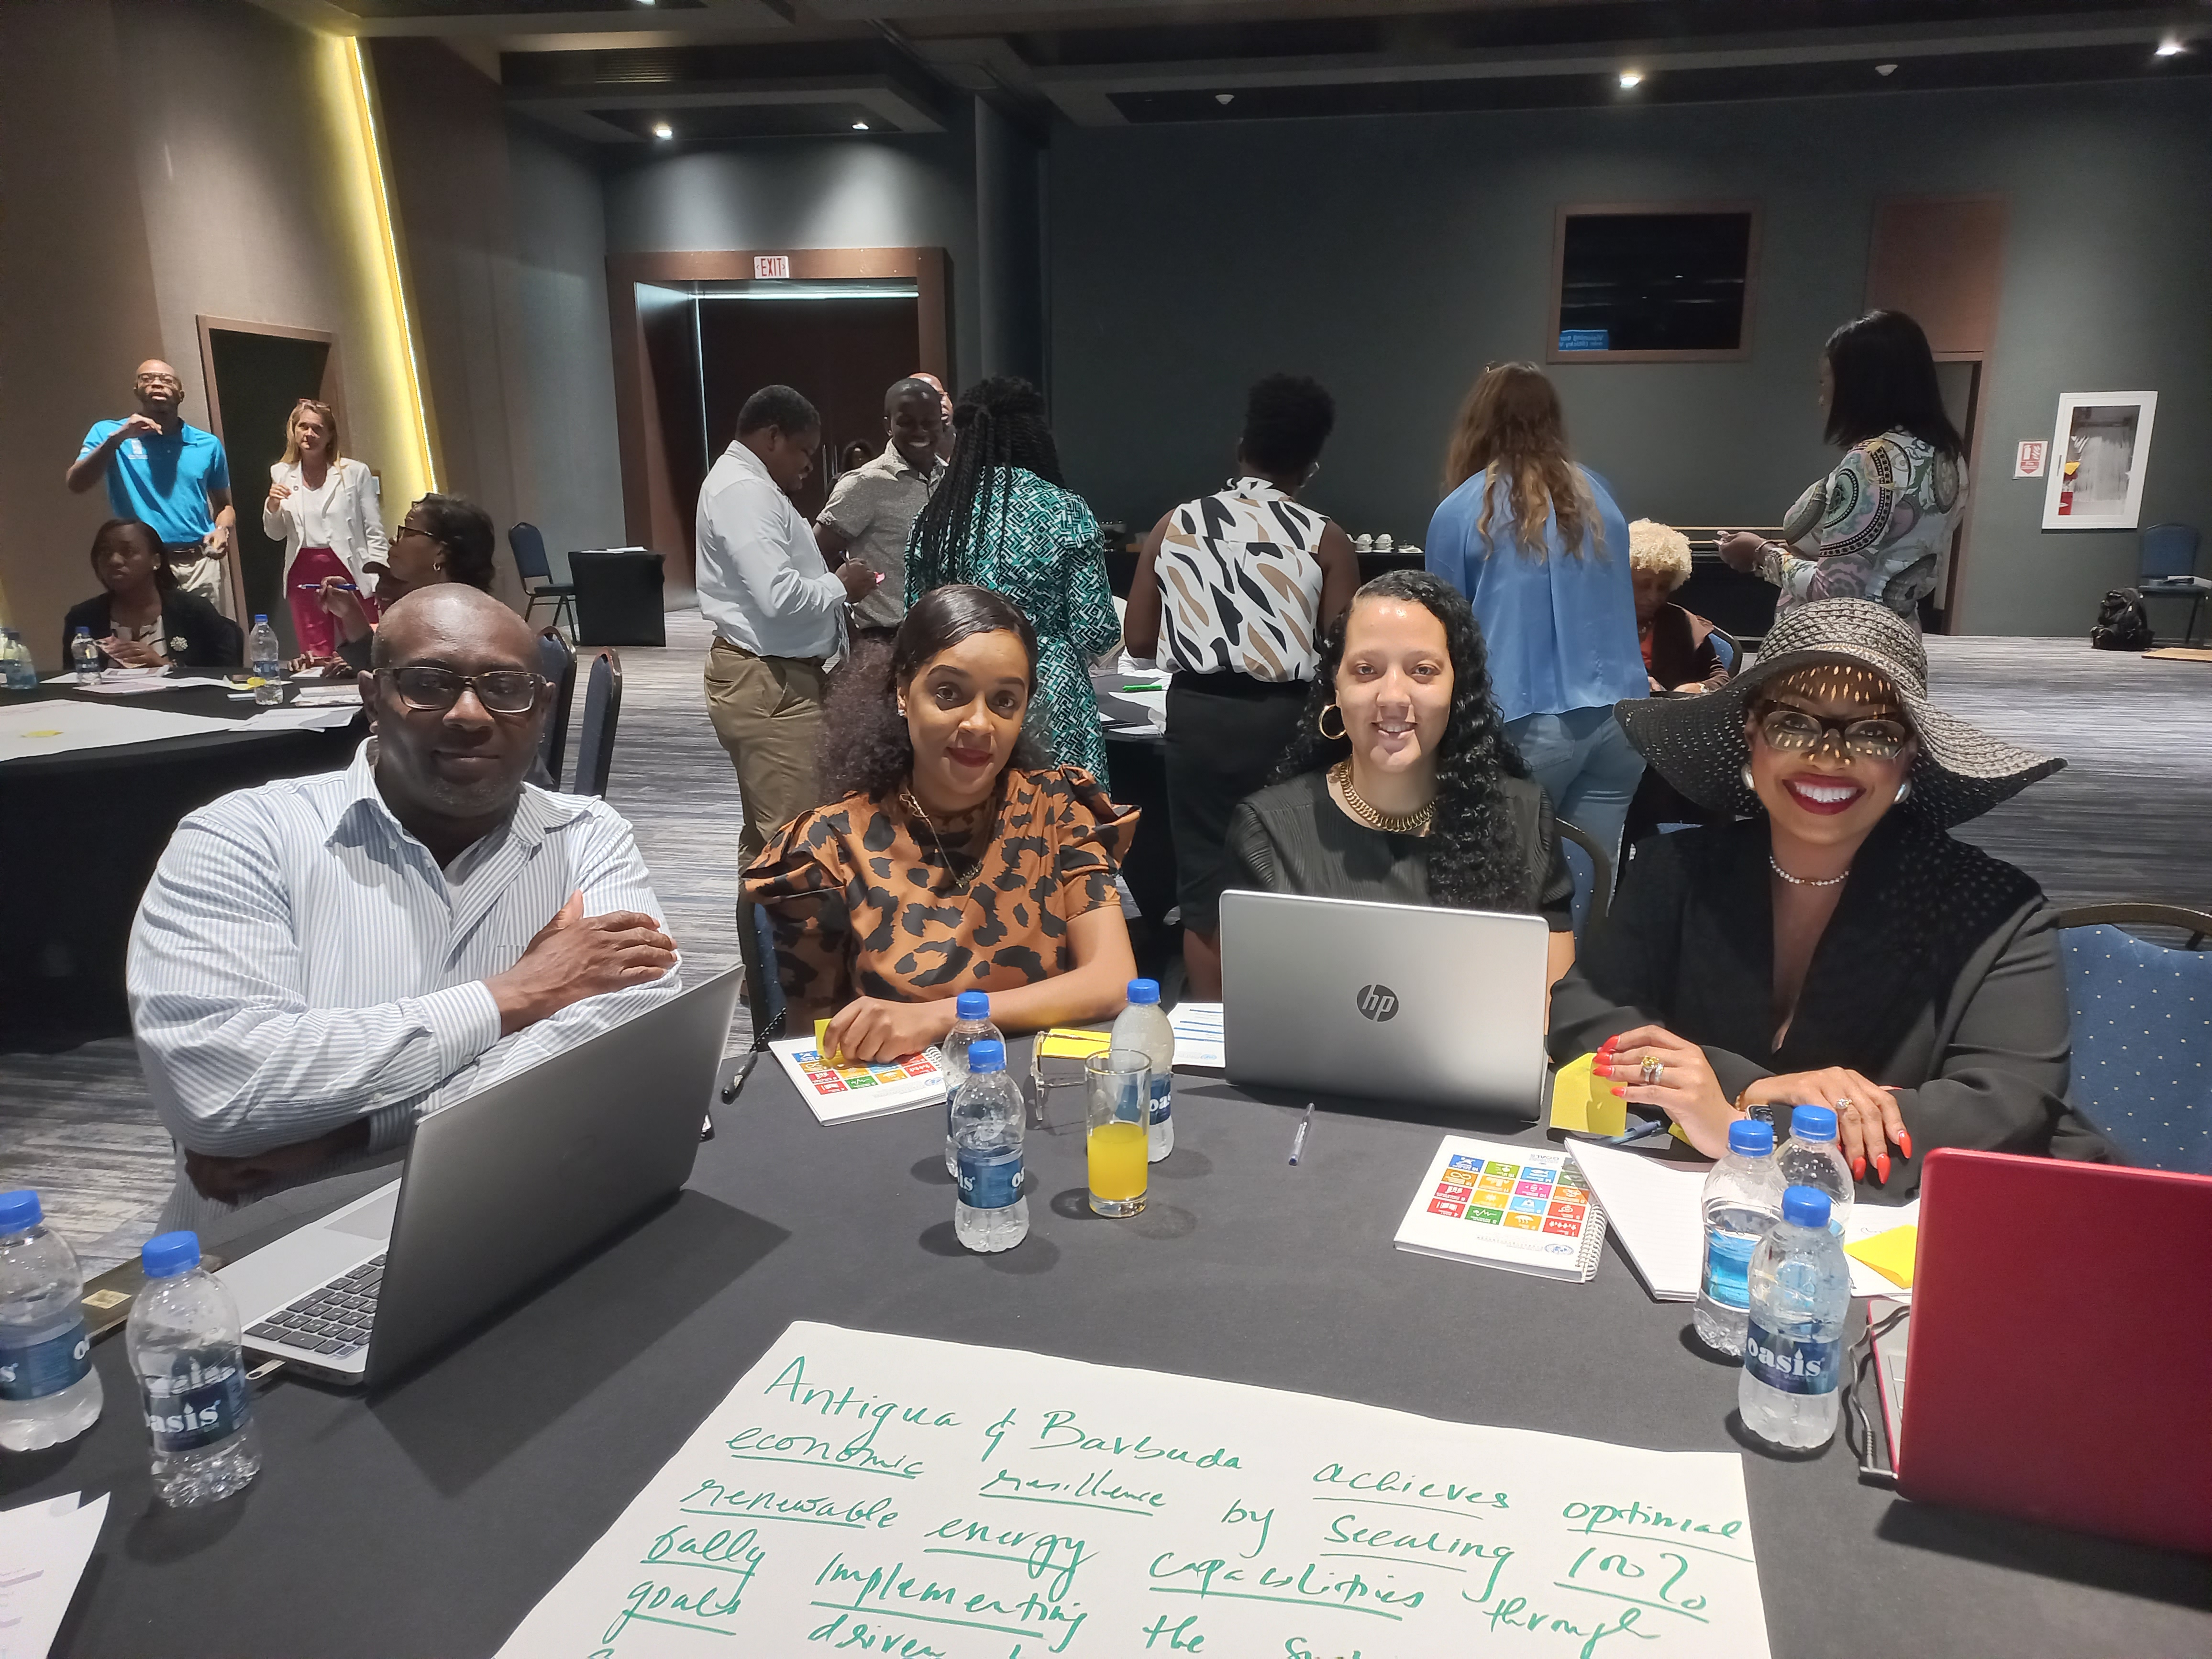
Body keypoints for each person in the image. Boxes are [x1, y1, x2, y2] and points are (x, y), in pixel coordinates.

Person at [128, 585, 681, 1230]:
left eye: (505, 687)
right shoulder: (240, 839)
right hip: (273, 1235)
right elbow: (221, 1093)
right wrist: (514, 995)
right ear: (372, 697)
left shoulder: (588, 836)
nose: (470, 714)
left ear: (542, 707)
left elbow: (631, 1047)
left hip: (513, 1216)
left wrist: (356, 1133)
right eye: (430, 682)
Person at [1548, 598, 2109, 1200]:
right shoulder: (1676, 868)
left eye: (1873, 733)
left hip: (1910, 1235)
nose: (1830, 758)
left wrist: (1745, 1122)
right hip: (1695, 1208)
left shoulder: (1996, 908)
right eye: (1794, 723)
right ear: (1751, 735)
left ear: (1909, 755)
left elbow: (2007, 1108)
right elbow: (1589, 1016)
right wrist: (1746, 1088)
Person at [743, 584, 1139, 1062]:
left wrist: (940, 1018)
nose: (978, 724)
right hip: (897, 1112)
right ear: (903, 692)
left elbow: (1114, 980)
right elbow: (818, 1048)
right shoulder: (828, 848)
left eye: (1004, 701)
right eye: (949, 693)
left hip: (1039, 1098)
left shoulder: (1055, 809)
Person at [1224, 570, 1579, 991]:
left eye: (1423, 670)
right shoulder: (1269, 830)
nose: (1393, 696)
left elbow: (1552, 1010)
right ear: (1335, 687)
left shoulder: (1523, 818)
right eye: (1366, 669)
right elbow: (1259, 1006)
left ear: (1457, 689)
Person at [1123, 374, 1360, 998]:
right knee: (1287, 869)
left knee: (1204, 883)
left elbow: (1140, 640)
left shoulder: (1175, 525)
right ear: (1310, 466)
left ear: (1241, 448)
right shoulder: (1325, 537)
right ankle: (1281, 1016)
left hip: (1198, 718)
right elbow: (1346, 656)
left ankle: (1210, 1028)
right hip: (1288, 724)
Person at [1425, 362, 1645, 871]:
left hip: (1521, 724)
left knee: (1504, 894)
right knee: (1589, 883)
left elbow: (1436, 635)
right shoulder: (1599, 497)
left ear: (1479, 421)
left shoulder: (1461, 510)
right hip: (1621, 724)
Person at [905, 376, 1121, 788]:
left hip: (958, 692)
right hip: (1047, 690)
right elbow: (1096, 631)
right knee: (1061, 826)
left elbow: (915, 622)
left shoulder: (935, 517)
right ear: (1035, 436)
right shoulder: (1064, 511)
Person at [698, 386, 879, 876]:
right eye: (804, 451)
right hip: (768, 684)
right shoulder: (744, 491)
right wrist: (840, 585)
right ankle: (780, 955)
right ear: (772, 437)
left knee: (767, 838)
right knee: (795, 844)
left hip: (773, 679)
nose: (807, 465)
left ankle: (761, 956)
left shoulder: (751, 486)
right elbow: (777, 597)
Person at [1717, 310, 1966, 627]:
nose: (1822, 399)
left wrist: (1761, 553)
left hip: (1835, 648)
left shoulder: (1873, 461)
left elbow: (1835, 590)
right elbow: (1881, 560)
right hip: (1897, 634)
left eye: (1825, 381)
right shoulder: (1947, 456)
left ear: (1859, 385)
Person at [66, 359, 236, 617]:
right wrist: (118, 438)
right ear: (136, 389)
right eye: (147, 378)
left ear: (181, 393)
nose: (157, 383)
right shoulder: (110, 433)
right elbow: (76, 483)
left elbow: (225, 505)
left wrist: (222, 529)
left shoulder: (208, 444)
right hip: (144, 566)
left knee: (206, 646)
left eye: (167, 380)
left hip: (200, 563)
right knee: (152, 642)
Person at [304, 492, 499, 675]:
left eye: (407, 531)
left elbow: (399, 685)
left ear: (441, 553)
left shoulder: (460, 623)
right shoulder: (428, 610)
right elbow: (385, 671)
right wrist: (350, 612)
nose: (393, 540)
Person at [814, 377, 947, 646]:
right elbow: (813, 555)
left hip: (947, 635)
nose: (920, 431)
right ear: (889, 426)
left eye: (929, 422)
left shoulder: (953, 480)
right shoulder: (864, 484)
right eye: (907, 422)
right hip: (883, 640)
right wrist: (847, 627)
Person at [263, 398, 387, 661]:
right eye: (304, 427)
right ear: (294, 431)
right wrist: (272, 505)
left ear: (330, 435)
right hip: (303, 568)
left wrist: (379, 578)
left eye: (318, 429)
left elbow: (374, 530)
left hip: (349, 566)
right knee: (315, 652)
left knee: (365, 647)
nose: (310, 435)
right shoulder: (281, 473)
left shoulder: (355, 473)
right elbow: (275, 534)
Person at [62, 519, 241, 671]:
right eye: (106, 553)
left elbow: (224, 677)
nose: (114, 560)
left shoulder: (193, 611)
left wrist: (163, 665)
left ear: (156, 561)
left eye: (128, 552)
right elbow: (75, 683)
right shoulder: (83, 618)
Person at [1630, 519, 1734, 693]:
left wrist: (1698, 688)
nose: (1653, 597)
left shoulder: (1683, 623)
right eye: (1643, 585)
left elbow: (1722, 679)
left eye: (1663, 587)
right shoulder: (1596, 623)